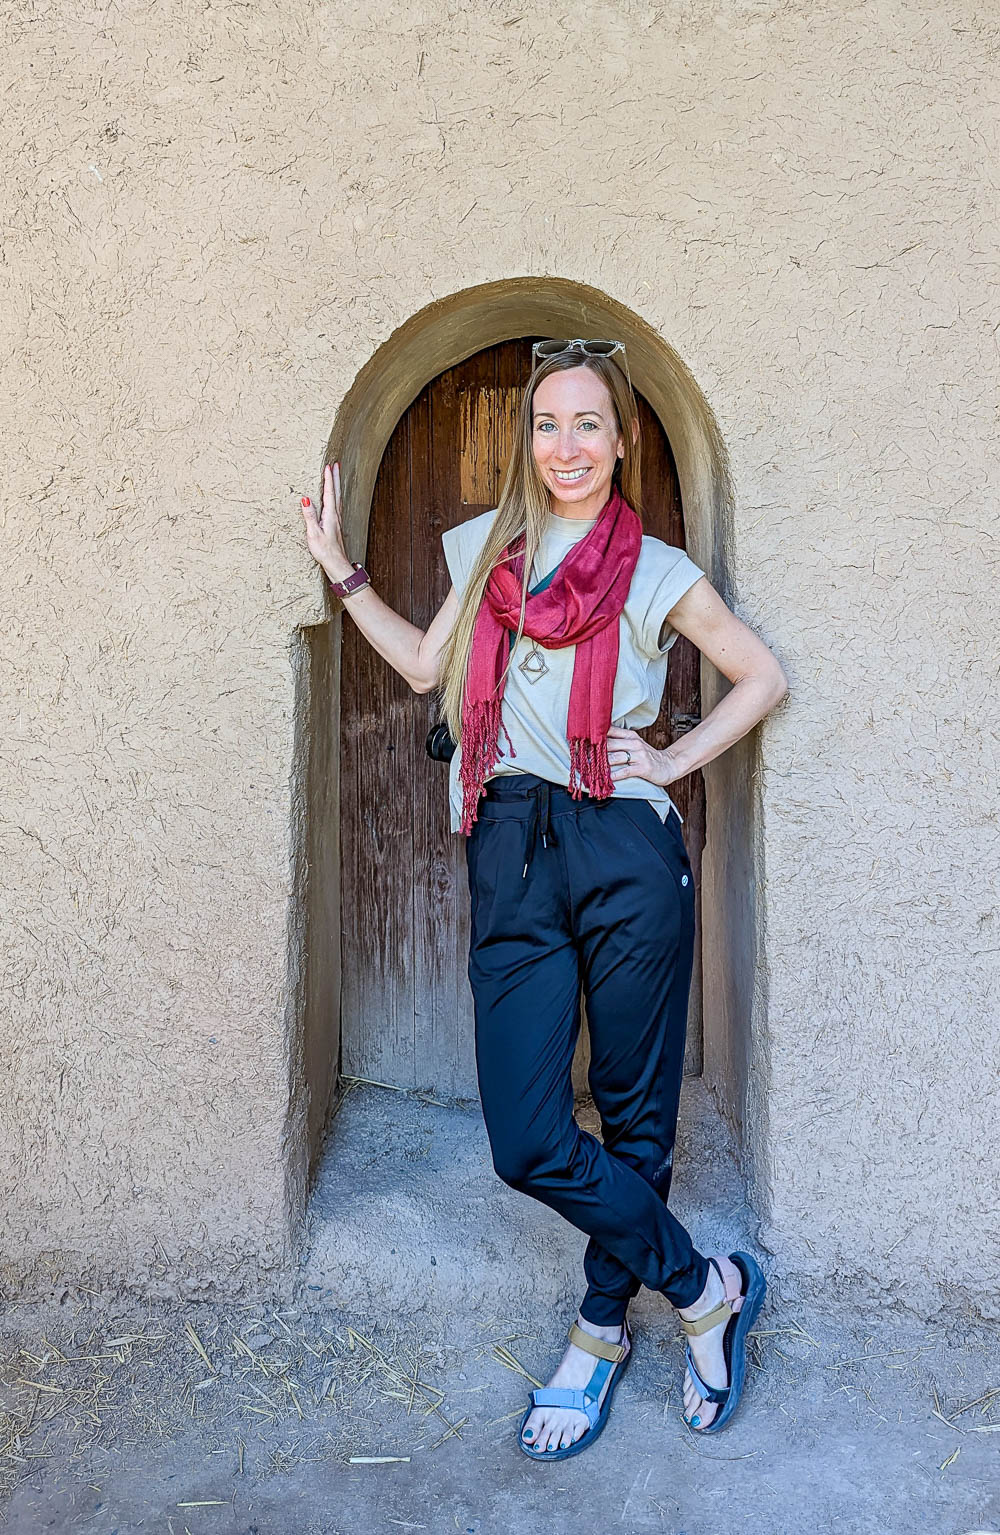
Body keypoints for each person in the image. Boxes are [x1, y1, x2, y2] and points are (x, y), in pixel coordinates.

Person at [300, 337, 789, 1460]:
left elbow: (759, 676)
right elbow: (427, 667)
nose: (565, 446)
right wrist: (343, 570)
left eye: (587, 425)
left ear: (620, 440)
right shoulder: (485, 551)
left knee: (632, 1112)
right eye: (546, 425)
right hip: (511, 834)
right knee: (526, 1135)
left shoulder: (658, 568)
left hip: (621, 839)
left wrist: (671, 761)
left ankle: (599, 1327)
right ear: (529, 440)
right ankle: (704, 1286)